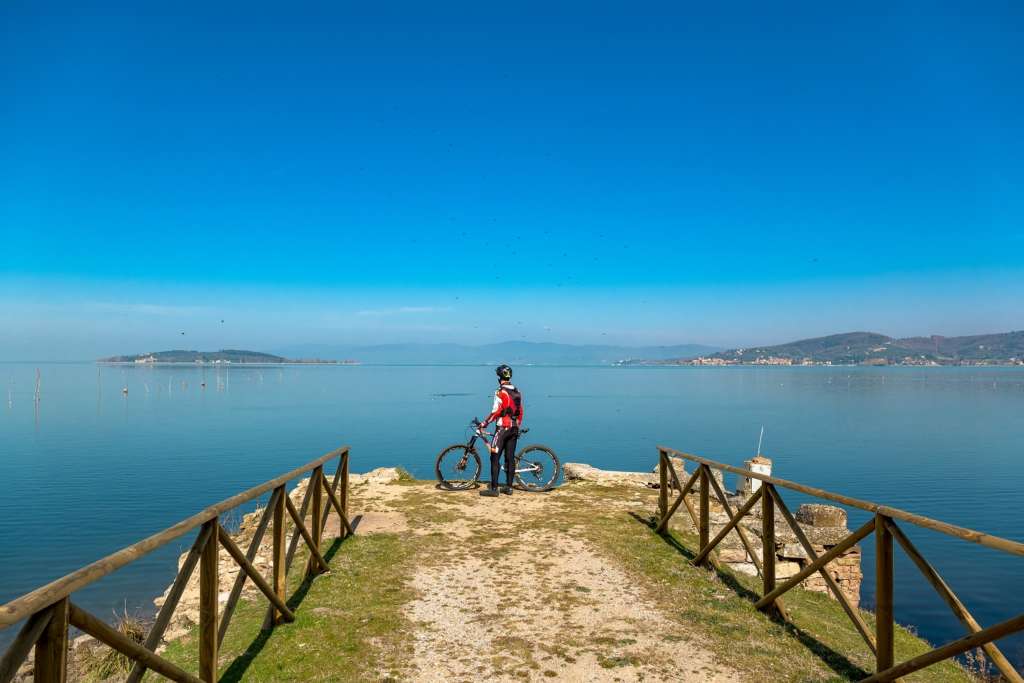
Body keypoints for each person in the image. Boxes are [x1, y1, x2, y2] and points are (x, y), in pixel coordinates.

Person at [478, 364, 523, 497]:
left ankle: (494, 489)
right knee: (509, 458)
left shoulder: (500, 392)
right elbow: (520, 411)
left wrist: (484, 423)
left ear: (499, 377)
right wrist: (516, 425)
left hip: (502, 429)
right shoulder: (517, 390)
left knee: (494, 458)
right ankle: (509, 488)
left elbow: (495, 412)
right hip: (514, 428)